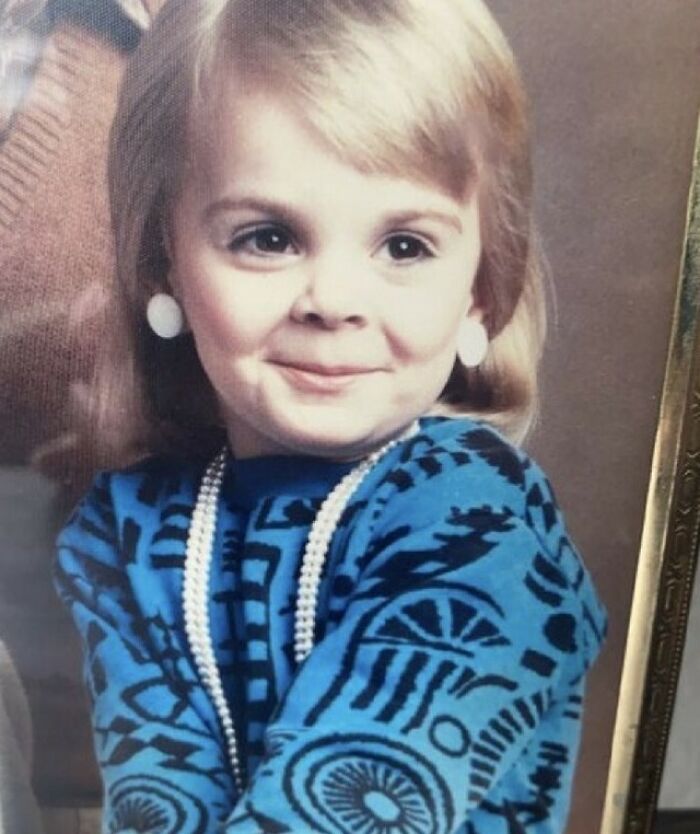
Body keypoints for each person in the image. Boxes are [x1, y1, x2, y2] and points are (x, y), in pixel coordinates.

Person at [54, 0, 607, 831]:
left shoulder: (479, 521)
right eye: (269, 237)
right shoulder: (126, 532)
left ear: (482, 294)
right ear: (161, 260)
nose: (335, 302)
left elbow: (351, 807)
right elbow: (160, 805)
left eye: (405, 247)